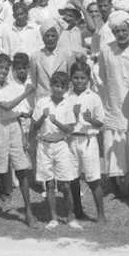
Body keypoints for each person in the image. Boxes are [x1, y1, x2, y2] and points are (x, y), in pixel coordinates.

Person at [0, 53, 39, 235]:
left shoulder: (12, 86)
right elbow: (7, 106)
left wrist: (23, 136)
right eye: (0, 67)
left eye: (5, 68)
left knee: (22, 170)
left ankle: (28, 213)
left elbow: (17, 113)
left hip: (14, 128)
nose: (2, 71)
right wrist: (27, 92)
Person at [96, 11, 129, 198]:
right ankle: (115, 186)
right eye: (117, 31)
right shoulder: (106, 50)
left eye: (124, 30)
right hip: (113, 105)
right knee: (112, 146)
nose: (121, 34)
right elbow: (101, 76)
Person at [32, 71, 80, 230]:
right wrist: (43, 118)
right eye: (56, 86)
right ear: (51, 86)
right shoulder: (42, 101)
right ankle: (53, 218)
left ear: (67, 88)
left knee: (65, 184)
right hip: (44, 145)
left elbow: (69, 129)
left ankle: (70, 217)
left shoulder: (68, 103)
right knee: (50, 183)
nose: (59, 89)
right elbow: (35, 126)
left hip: (61, 145)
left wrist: (56, 121)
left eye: (62, 87)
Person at [67, 60, 106, 224]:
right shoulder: (66, 97)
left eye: (83, 78)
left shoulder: (94, 97)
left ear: (88, 79)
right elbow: (63, 122)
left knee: (93, 178)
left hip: (88, 140)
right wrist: (74, 116)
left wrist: (91, 120)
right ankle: (78, 210)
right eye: (76, 78)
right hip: (71, 139)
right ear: (71, 78)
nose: (79, 81)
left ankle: (101, 214)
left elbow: (101, 123)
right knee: (73, 178)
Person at [29, 18, 76, 98]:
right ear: (43, 38)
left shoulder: (68, 55)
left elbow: (71, 79)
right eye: (47, 36)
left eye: (53, 35)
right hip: (42, 99)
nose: (50, 38)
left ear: (58, 37)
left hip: (63, 98)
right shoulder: (35, 56)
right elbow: (34, 81)